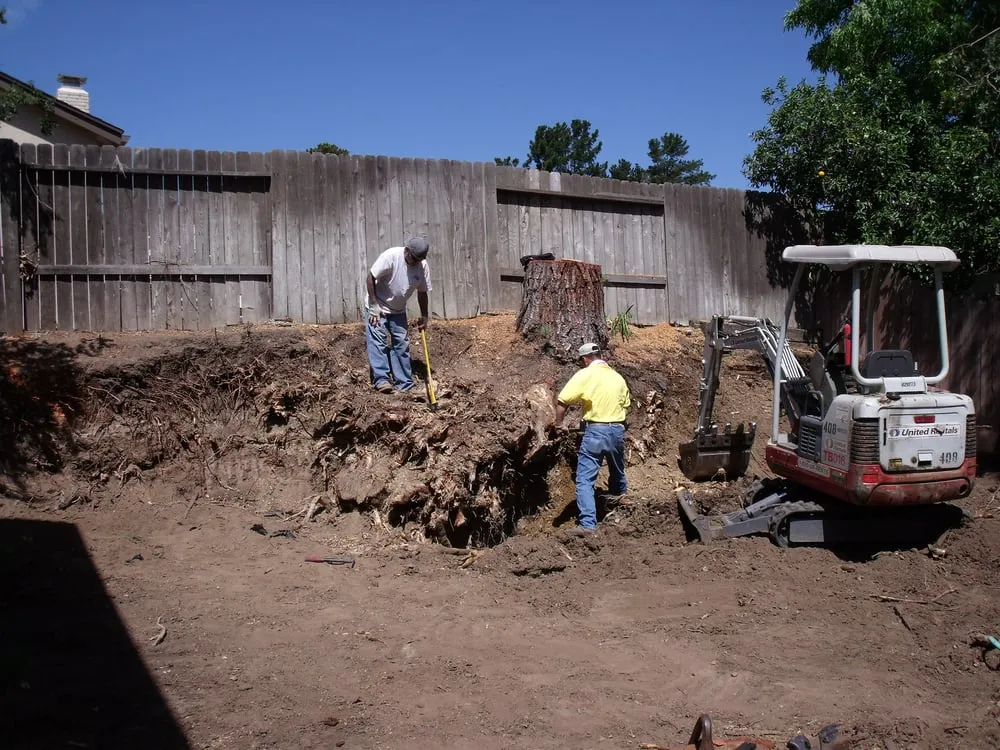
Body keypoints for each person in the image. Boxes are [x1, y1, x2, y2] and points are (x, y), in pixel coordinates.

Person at [554, 342, 631, 532]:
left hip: (596, 430)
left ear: (585, 359)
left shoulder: (585, 374)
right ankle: (620, 511)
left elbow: (563, 401)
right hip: (617, 430)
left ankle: (588, 525)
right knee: (617, 471)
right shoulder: (617, 377)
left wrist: (558, 424)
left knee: (584, 480)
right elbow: (625, 405)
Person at [364, 236, 431, 394]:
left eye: (419, 259)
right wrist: (373, 305)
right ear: (406, 251)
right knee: (378, 342)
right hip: (377, 306)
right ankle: (382, 380)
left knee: (401, 343)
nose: (416, 262)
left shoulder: (422, 266)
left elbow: (422, 292)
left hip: (398, 310)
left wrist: (425, 315)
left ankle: (404, 383)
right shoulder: (390, 257)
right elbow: (371, 277)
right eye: (414, 258)